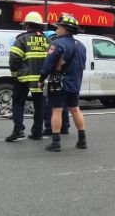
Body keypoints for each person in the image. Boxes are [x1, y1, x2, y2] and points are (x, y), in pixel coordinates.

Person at [38, 13, 87, 152]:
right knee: (75, 109)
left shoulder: (57, 43)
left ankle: (56, 143)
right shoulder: (82, 46)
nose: (56, 30)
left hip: (59, 83)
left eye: (58, 27)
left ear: (64, 29)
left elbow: (48, 64)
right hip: (74, 83)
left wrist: (41, 79)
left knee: (57, 110)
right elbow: (82, 65)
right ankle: (82, 140)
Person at [5, 12, 50, 142]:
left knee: (18, 103)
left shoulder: (22, 39)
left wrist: (15, 74)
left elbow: (14, 59)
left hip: (24, 78)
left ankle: (18, 130)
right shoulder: (48, 40)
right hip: (41, 80)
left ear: (27, 26)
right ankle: (37, 132)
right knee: (39, 105)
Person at [42, 29, 69, 136]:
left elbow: (48, 64)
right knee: (63, 105)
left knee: (50, 104)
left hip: (53, 78)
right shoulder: (65, 45)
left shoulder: (53, 46)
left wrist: (41, 78)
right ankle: (65, 127)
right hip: (64, 78)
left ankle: (49, 127)